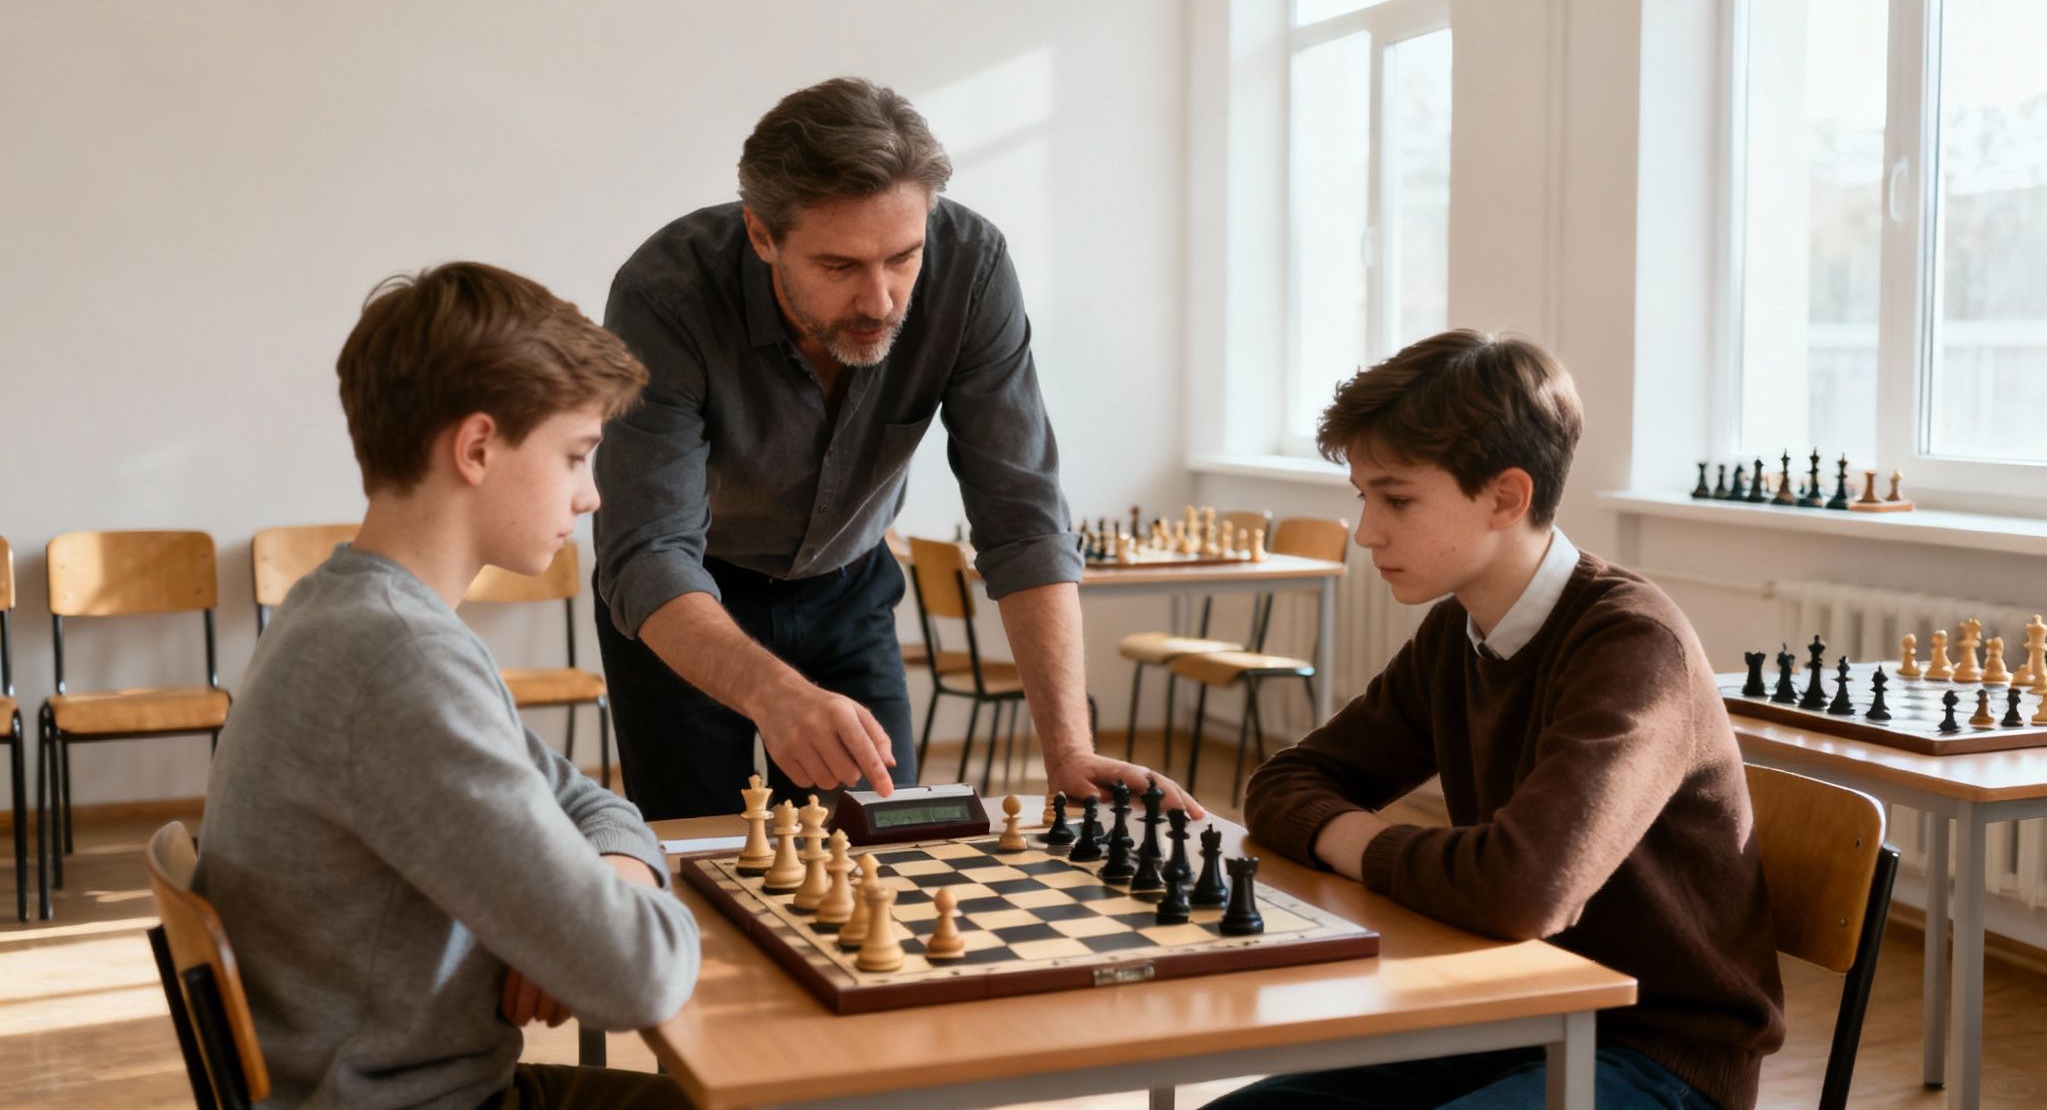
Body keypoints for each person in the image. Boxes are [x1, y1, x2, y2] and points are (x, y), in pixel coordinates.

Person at [1207, 330, 1784, 1110]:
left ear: (1506, 497)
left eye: (1396, 498)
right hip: (1512, 1009)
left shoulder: (1632, 645)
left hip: (1658, 1051)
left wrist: (1357, 840)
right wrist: (1388, 847)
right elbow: (1285, 782)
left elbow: (1520, 889)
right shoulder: (1459, 632)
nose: (1367, 532)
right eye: (1363, 498)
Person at [593, 77, 1195, 821]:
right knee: (698, 855)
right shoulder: (666, 292)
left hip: (849, 591)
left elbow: (1023, 520)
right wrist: (775, 693)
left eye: (903, 258)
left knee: (883, 854)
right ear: (761, 235)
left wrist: (1067, 749)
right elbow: (645, 549)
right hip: (687, 602)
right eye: (839, 267)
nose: (880, 302)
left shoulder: (971, 269)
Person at [197, 263, 700, 1109]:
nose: (591, 495)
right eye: (576, 455)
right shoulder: (395, 661)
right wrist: (600, 917)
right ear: (476, 448)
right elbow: (642, 976)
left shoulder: (351, 608)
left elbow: (592, 805)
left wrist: (609, 880)